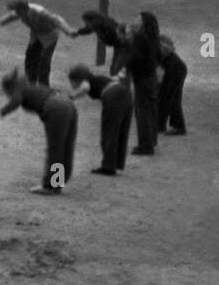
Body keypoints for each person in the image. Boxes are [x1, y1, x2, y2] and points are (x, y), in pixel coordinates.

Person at [0, 67, 78, 194]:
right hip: (68, 104)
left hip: (56, 108)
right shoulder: (28, 85)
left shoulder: (18, 88)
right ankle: (59, 183)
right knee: (66, 146)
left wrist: (0, 113)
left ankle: (51, 186)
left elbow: (16, 101)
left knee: (56, 149)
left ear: (8, 87)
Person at [0, 0, 76, 87]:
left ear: (23, 8)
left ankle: (44, 87)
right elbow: (10, 17)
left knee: (44, 61)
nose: (16, 13)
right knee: (30, 56)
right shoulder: (22, 12)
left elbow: (57, 19)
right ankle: (31, 83)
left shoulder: (40, 13)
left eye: (17, 10)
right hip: (36, 33)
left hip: (49, 35)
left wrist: (68, 31)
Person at [67, 65, 133, 176]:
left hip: (112, 96)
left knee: (109, 132)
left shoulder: (86, 81)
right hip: (126, 93)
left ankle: (108, 167)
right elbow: (116, 79)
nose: (71, 84)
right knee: (122, 131)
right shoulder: (97, 78)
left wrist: (73, 96)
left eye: (71, 81)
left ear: (77, 79)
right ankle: (117, 163)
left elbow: (85, 88)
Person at [123, 12, 162, 155]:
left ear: (144, 24)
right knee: (151, 111)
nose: (134, 20)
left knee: (142, 112)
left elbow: (134, 58)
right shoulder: (153, 38)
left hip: (142, 79)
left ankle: (145, 146)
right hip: (151, 78)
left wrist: (126, 68)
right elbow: (158, 56)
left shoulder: (139, 38)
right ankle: (151, 140)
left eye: (138, 19)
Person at [157, 33, 188, 136]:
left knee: (172, 98)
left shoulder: (157, 41)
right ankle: (160, 125)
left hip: (176, 70)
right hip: (170, 68)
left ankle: (179, 127)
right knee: (162, 96)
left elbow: (168, 49)